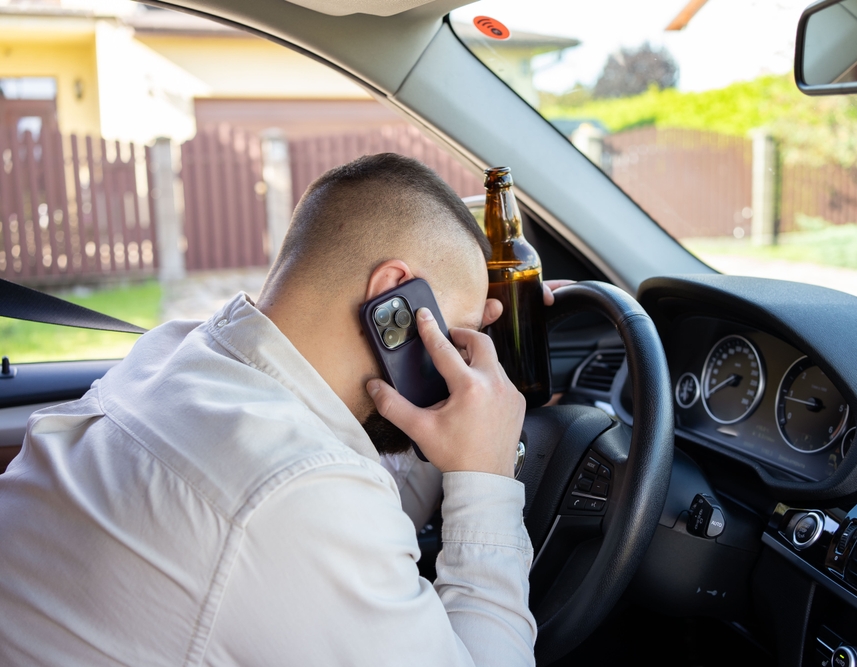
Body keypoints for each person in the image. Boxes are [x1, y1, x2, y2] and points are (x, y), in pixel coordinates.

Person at [0, 153, 561, 666]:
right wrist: (486, 478)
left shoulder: (171, 355)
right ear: (394, 299)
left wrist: (474, 411)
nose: (457, 366)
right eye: (458, 333)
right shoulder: (298, 493)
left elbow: (360, 476)